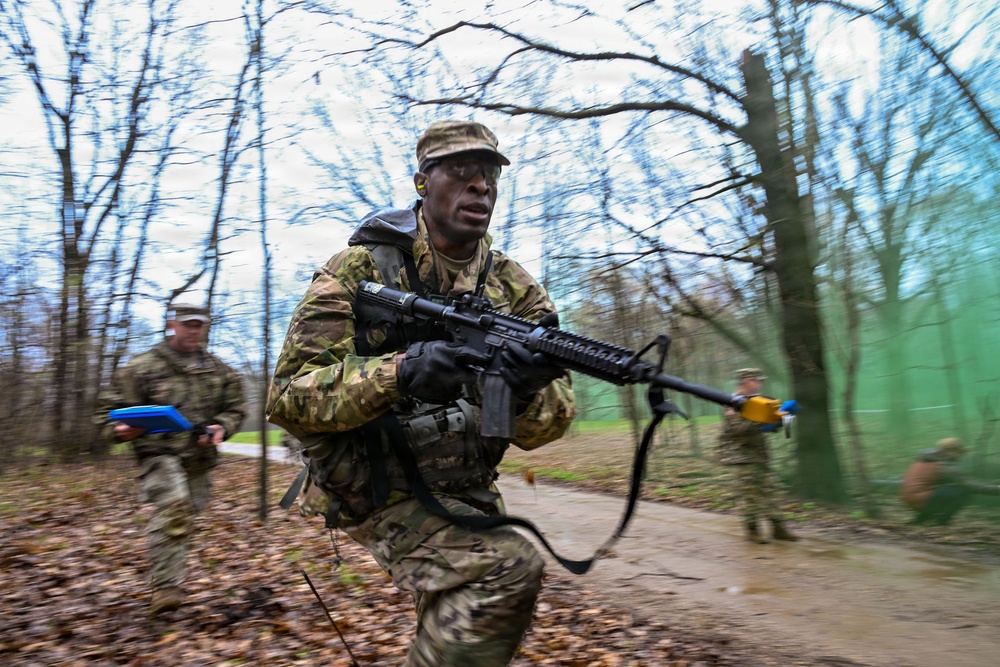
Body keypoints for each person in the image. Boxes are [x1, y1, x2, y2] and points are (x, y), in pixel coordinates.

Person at [266, 120, 576, 666]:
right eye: (460, 172)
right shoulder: (357, 269)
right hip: (373, 481)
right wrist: (399, 372)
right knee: (507, 568)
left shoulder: (514, 288)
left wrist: (524, 391)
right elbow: (288, 397)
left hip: (465, 481)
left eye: (488, 175)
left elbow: (551, 424)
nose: (478, 186)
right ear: (421, 183)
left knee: (465, 616)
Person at [94, 302, 246, 616]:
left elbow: (235, 410)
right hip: (157, 456)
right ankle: (166, 589)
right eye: (188, 323)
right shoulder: (140, 368)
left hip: (199, 459)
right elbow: (105, 413)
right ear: (171, 324)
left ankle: (167, 579)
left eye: (199, 325)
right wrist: (119, 431)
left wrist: (221, 427)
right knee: (174, 510)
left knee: (183, 520)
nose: (194, 330)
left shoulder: (220, 370)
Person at [717, 368, 797, 543]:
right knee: (750, 494)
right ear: (746, 381)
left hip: (760, 455)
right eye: (757, 380)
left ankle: (778, 528)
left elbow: (766, 425)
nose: (760, 384)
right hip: (743, 456)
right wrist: (761, 421)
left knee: (772, 490)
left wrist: (780, 419)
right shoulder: (733, 403)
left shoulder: (758, 400)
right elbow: (738, 429)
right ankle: (752, 530)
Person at [900, 437, 1000, 526]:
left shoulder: (929, 458)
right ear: (951, 451)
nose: (961, 456)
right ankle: (941, 522)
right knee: (962, 491)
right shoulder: (944, 465)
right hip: (919, 498)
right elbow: (970, 485)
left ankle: (923, 518)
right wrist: (996, 489)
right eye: (960, 452)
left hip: (910, 497)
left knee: (953, 489)